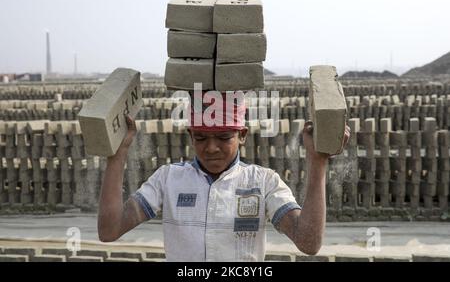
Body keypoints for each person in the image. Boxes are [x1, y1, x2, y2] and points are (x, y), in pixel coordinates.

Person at [97, 92, 350, 261]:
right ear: (190, 135)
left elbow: (308, 243)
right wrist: (117, 155)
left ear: (242, 135)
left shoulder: (264, 182)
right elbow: (109, 230)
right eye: (201, 137)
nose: (211, 148)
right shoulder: (168, 179)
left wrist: (317, 163)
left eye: (223, 137)